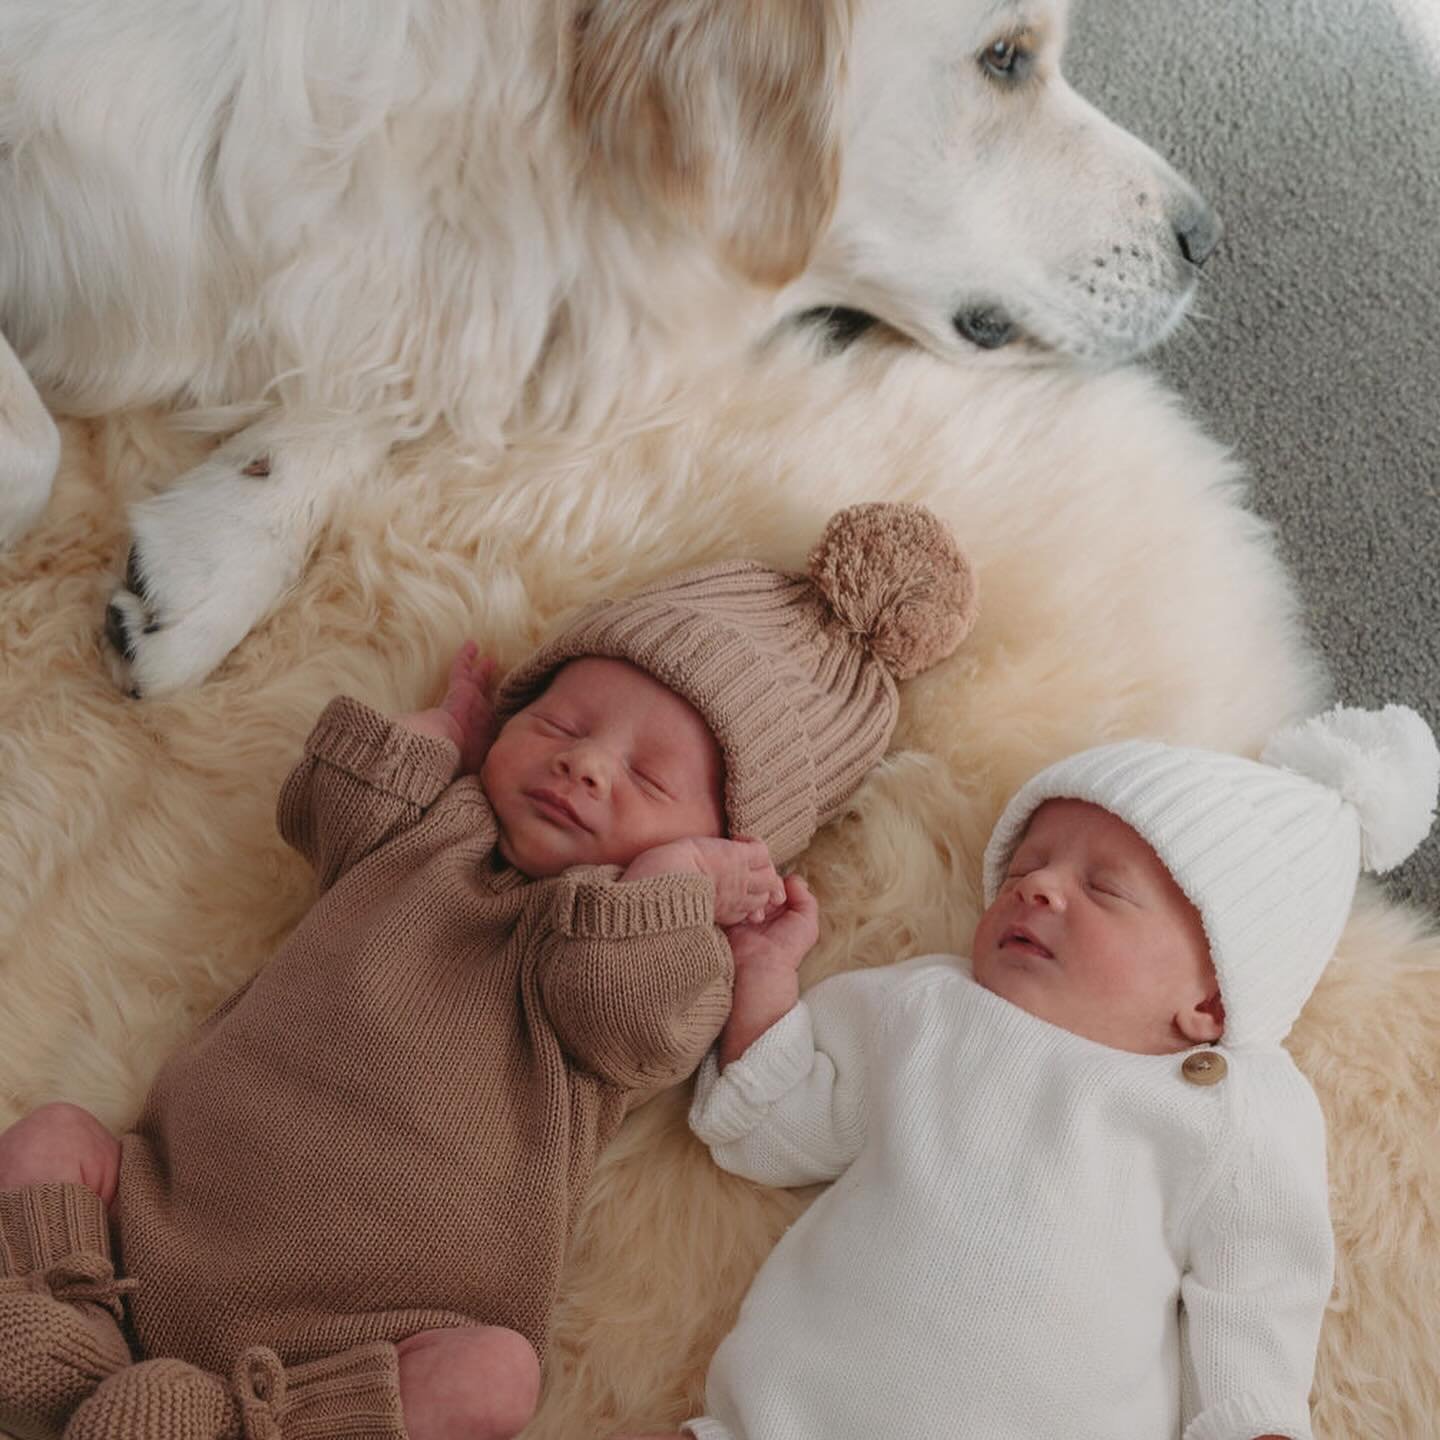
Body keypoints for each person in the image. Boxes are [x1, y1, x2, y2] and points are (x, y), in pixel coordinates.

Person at [0, 502, 979, 1440]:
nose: (586, 765)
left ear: (730, 853)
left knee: (495, 1377)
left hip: (351, 1344)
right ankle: (68, 1335)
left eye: (649, 779)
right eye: (557, 725)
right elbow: (326, 805)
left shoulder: (652, 952)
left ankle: (237, 1427)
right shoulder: (434, 827)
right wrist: (437, 732)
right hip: (162, 1212)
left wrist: (669, 887)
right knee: (56, 1136)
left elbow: (631, 1015)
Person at [619, 704, 1439, 1440]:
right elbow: (771, 1133)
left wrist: (1255, 1421)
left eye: (1104, 888)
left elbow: (1259, 1287)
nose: (1037, 888)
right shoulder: (926, 1006)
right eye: (1021, 870)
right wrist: (764, 978)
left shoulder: (1232, 1104)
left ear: (1212, 1001)